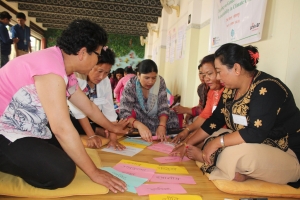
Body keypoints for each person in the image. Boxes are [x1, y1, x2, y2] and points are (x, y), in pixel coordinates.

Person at [0, 19, 128, 193]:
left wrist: (112, 126)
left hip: (26, 128)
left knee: (71, 150)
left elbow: (88, 106)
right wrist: (95, 173)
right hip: (5, 132)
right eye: (97, 54)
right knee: (61, 171)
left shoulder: (61, 65)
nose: (98, 59)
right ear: (83, 52)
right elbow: (61, 128)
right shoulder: (50, 69)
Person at [171, 43, 300, 186]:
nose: (218, 77)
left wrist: (217, 143)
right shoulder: (230, 91)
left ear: (237, 68)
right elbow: (214, 121)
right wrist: (187, 144)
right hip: (256, 144)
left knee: (237, 154)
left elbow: (255, 133)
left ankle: (210, 159)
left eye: (219, 71)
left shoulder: (266, 88)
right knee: (215, 135)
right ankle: (235, 170)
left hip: (287, 151)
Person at [68, 47, 125, 150]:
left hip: (92, 116)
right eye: (99, 71)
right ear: (90, 64)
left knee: (113, 117)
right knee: (71, 123)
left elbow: (109, 109)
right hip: (74, 116)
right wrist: (91, 136)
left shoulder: (105, 80)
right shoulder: (76, 77)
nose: (101, 76)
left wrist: (113, 138)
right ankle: (95, 130)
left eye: (106, 73)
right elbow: (78, 111)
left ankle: (97, 129)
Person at [119, 59, 182, 142]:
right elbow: (124, 111)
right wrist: (139, 125)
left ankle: (158, 131)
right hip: (139, 118)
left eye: (154, 78)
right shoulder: (131, 84)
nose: (150, 82)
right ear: (138, 75)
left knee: (174, 115)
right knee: (126, 122)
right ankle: (144, 130)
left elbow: (163, 107)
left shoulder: (160, 82)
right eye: (146, 78)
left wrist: (162, 125)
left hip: (156, 117)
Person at [171, 54, 224, 144]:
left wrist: (190, 139)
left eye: (210, 74)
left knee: (193, 143)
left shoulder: (227, 92)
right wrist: (187, 130)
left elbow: (213, 122)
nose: (206, 79)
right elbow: (204, 116)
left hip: (220, 131)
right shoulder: (211, 92)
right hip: (212, 128)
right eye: (203, 74)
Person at [173, 59, 209, 124]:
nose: (202, 76)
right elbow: (201, 105)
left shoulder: (215, 88)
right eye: (200, 73)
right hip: (203, 114)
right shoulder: (201, 88)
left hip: (210, 117)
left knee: (197, 120)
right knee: (190, 119)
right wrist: (190, 112)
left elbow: (209, 112)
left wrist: (187, 110)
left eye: (207, 73)